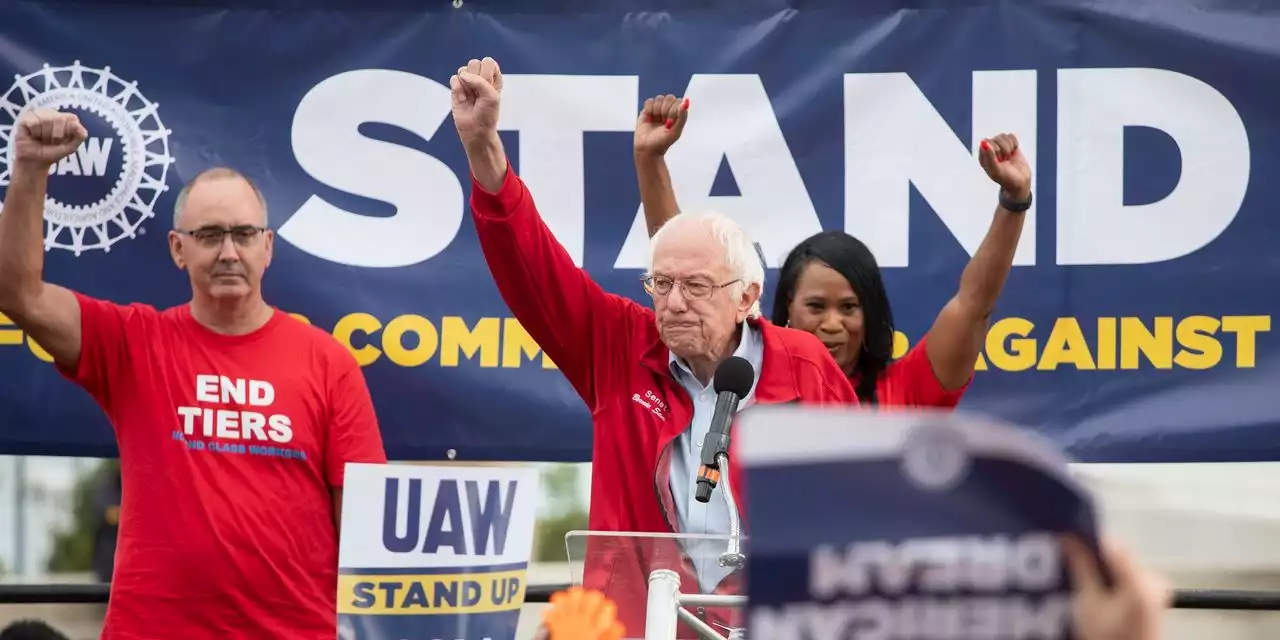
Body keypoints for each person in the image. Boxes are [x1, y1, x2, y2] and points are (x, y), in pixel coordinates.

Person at [450, 57, 856, 636]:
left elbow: (865, 504)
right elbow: (531, 268)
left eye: (695, 287)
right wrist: (484, 147)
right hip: (643, 624)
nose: (673, 303)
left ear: (748, 297)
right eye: (661, 284)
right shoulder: (618, 346)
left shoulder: (805, 368)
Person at [0, 109, 388, 639]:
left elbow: (365, 537)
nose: (229, 251)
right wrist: (29, 171)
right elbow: (19, 296)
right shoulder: (133, 344)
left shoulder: (329, 363)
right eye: (209, 235)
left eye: (244, 234)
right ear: (178, 250)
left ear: (267, 247)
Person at [634, 94, 1031, 408]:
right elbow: (682, 263)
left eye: (848, 308)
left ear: (869, 315)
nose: (832, 324)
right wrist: (650, 159)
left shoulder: (905, 395)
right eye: (817, 306)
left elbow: (973, 304)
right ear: (787, 309)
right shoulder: (744, 378)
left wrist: (1015, 200)